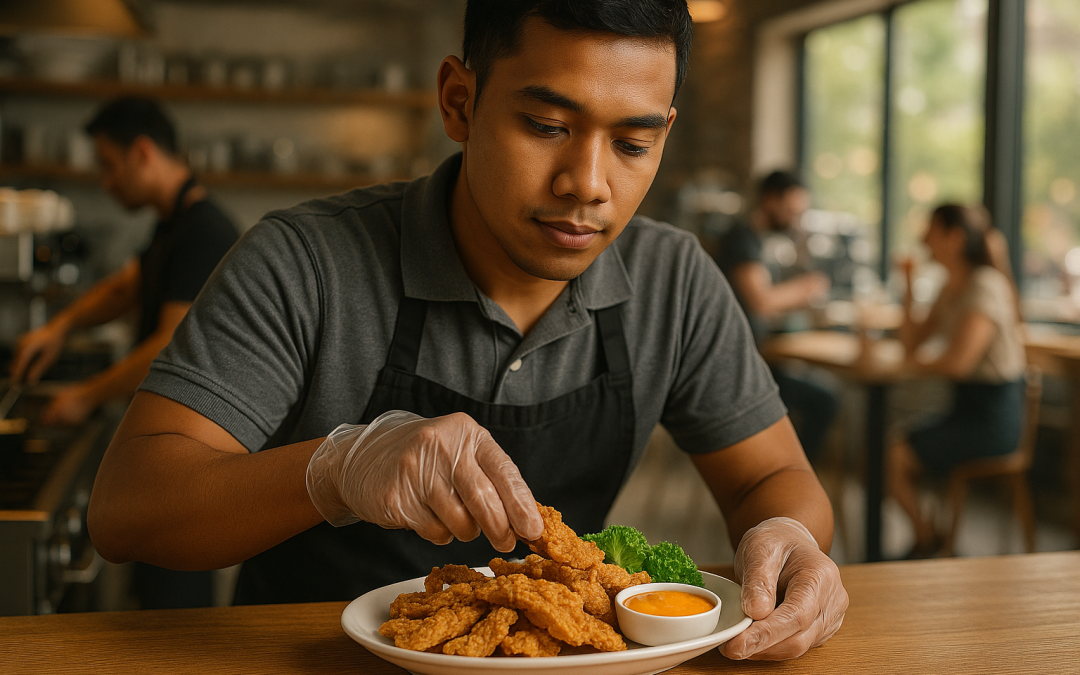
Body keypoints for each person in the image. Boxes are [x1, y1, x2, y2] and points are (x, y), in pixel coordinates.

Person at [86, 1, 846, 660]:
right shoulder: (305, 262)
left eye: (632, 144)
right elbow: (126, 511)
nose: (587, 182)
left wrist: (790, 539)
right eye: (547, 125)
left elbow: (768, 477)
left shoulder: (673, 280)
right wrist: (334, 468)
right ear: (459, 100)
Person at [11, 97, 239, 607]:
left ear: (142, 153)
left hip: (189, 452)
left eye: (108, 166)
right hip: (164, 445)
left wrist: (86, 396)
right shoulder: (174, 222)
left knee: (172, 605)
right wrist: (59, 328)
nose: (104, 182)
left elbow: (168, 343)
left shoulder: (204, 232)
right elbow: (125, 286)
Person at [887, 203, 1027, 558]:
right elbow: (913, 342)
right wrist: (907, 282)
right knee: (890, 447)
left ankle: (925, 540)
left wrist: (916, 365)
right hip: (962, 409)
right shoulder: (951, 284)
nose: (923, 238)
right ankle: (929, 537)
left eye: (931, 229)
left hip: (993, 420)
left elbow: (958, 364)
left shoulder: (985, 285)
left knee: (893, 454)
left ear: (956, 237)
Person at [715, 170, 838, 458]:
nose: (796, 219)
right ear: (770, 200)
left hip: (758, 359)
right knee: (825, 401)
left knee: (819, 391)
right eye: (792, 211)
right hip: (738, 371)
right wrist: (807, 288)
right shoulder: (742, 239)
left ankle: (783, 467)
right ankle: (793, 472)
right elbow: (761, 301)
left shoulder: (758, 241)